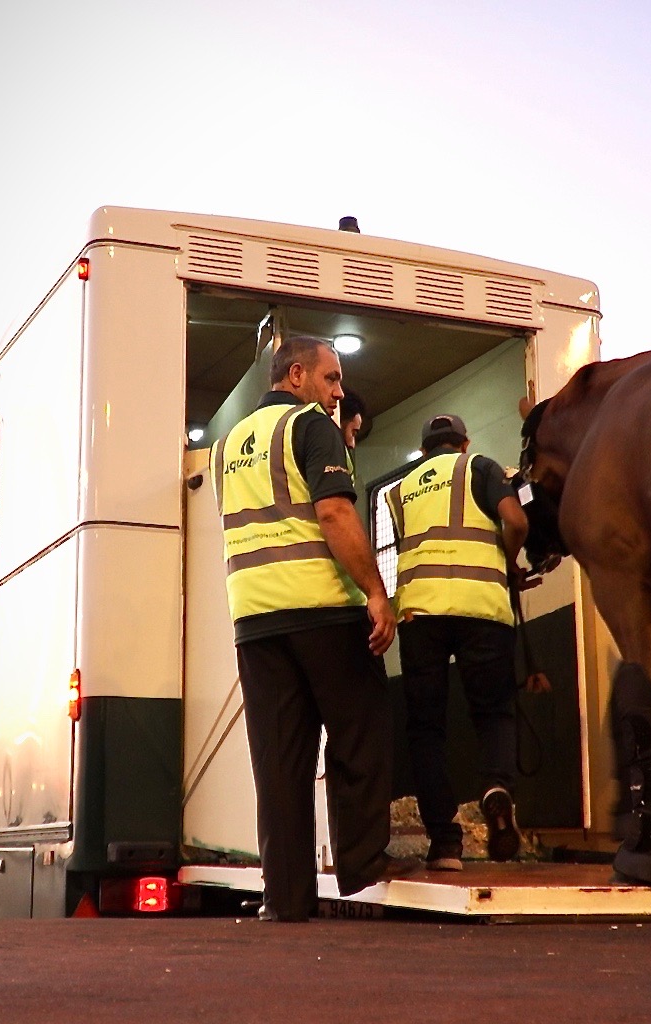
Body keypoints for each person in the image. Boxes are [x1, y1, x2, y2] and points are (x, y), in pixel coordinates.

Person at [214, 334, 416, 922]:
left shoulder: (228, 445)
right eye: (331, 378)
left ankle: (285, 896)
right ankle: (361, 860)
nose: (338, 392)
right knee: (361, 730)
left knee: (279, 763)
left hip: (255, 619)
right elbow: (333, 511)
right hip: (321, 610)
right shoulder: (309, 426)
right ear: (296, 375)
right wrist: (375, 591)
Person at [386, 414, 529, 870]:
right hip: (481, 608)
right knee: (493, 712)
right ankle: (496, 787)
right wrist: (507, 562)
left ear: (425, 450)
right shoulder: (480, 467)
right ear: (464, 443)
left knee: (426, 728)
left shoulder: (399, 491)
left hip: (420, 615)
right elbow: (517, 521)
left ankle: (444, 844)